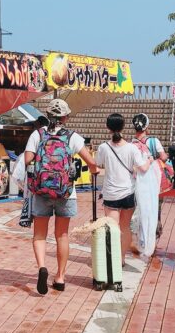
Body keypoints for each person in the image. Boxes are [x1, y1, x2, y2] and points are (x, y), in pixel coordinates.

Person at [24, 98, 98, 295]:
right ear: (65, 117)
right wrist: (93, 169)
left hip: (41, 190)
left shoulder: (37, 134)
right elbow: (91, 162)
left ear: (48, 115)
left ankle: (41, 268)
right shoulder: (72, 137)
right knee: (62, 235)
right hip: (65, 192)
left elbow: (27, 160)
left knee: (39, 234)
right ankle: (60, 277)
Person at [94, 114, 151, 265]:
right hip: (128, 193)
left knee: (112, 227)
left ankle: (112, 258)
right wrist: (150, 160)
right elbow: (144, 168)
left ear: (107, 128)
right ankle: (122, 258)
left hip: (111, 194)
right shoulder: (132, 148)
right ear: (124, 126)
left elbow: (97, 165)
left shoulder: (103, 147)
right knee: (125, 227)